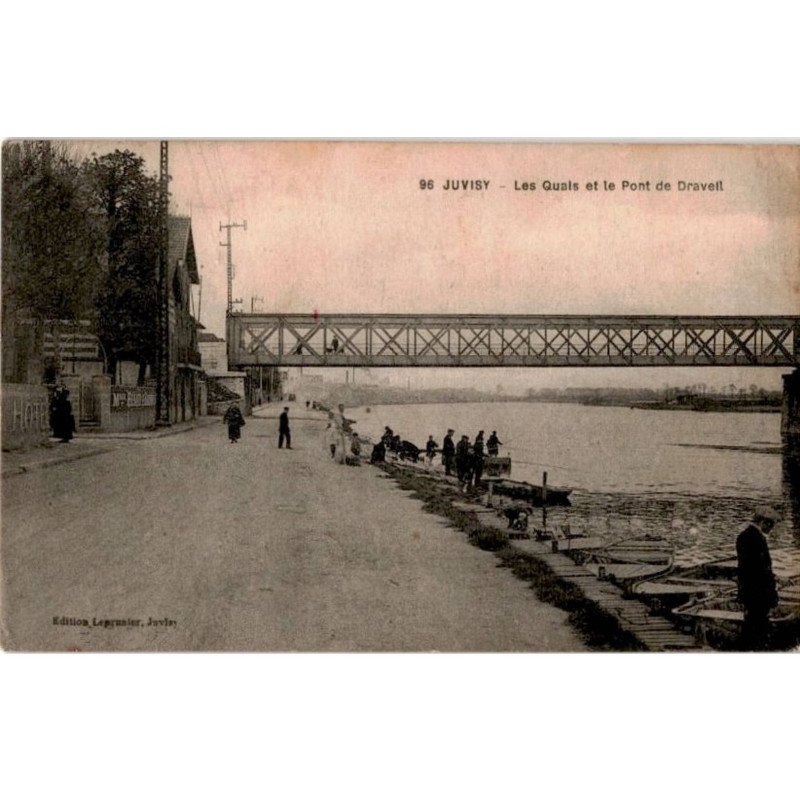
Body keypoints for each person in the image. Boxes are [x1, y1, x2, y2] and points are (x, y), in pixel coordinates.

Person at [736, 506, 780, 650]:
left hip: (747, 592)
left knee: (749, 625)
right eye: (771, 525)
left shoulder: (742, 536)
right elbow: (763, 573)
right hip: (759, 595)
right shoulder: (758, 540)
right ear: (763, 523)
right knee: (758, 629)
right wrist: (773, 596)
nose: (771, 530)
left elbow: (746, 569)